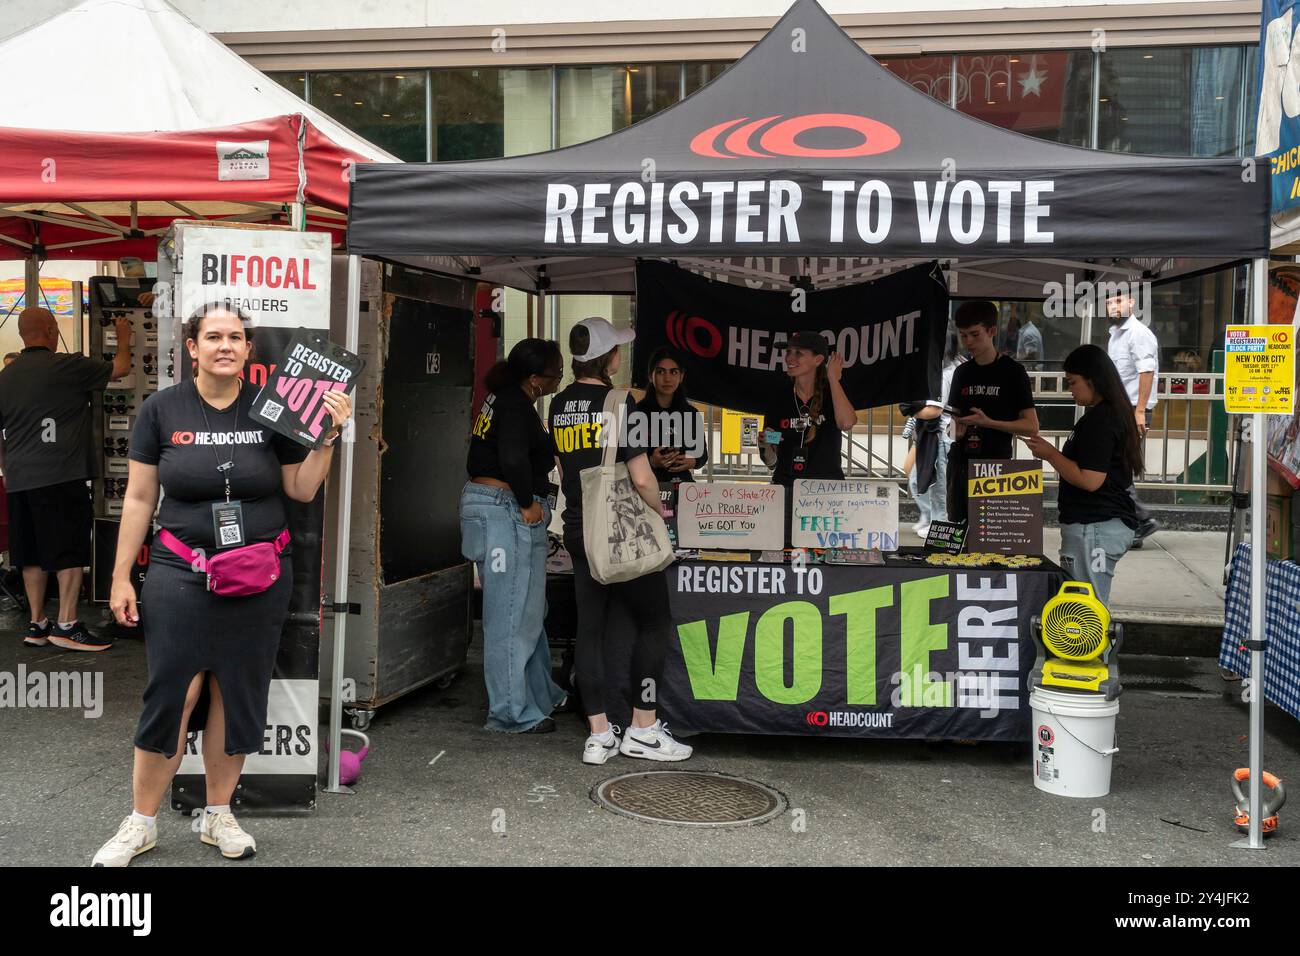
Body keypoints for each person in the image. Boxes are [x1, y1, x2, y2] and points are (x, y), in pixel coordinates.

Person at [93, 303, 351, 867]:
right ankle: (140, 823)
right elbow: (138, 499)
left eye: (235, 337)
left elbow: (302, 491)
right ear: (192, 347)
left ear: (247, 348)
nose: (225, 346)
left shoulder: (270, 410)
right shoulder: (161, 410)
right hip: (179, 574)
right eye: (213, 337)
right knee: (173, 694)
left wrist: (328, 437)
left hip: (259, 577)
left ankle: (218, 815)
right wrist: (119, 577)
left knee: (238, 694)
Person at [549, 317, 692, 765]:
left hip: (578, 528)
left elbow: (562, 464)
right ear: (610, 358)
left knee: (588, 628)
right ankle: (643, 728)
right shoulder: (620, 403)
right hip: (620, 530)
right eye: (618, 351)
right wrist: (660, 510)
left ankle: (598, 734)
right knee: (654, 622)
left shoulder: (557, 404)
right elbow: (643, 475)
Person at [0, 306, 131, 650]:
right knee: (69, 552)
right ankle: (68, 625)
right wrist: (124, 337)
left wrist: (10, 466)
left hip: (19, 479)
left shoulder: (6, 376)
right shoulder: (68, 366)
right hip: (60, 475)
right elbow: (121, 368)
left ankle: (37, 623)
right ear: (51, 330)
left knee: (29, 554)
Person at [461, 338, 568, 734]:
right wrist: (527, 501)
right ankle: (509, 712)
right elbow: (511, 457)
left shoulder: (506, 398)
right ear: (535, 378)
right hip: (505, 508)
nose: (560, 376)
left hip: (496, 505)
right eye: (556, 371)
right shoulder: (513, 403)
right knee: (510, 615)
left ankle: (539, 696)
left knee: (527, 612)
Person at [1022, 345, 1141, 604]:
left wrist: (1051, 454)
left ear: (1093, 379)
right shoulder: (1107, 415)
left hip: (1095, 526)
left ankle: (1101, 648)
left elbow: (1090, 480)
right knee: (1083, 610)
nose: (1070, 389)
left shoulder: (1100, 420)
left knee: (1086, 613)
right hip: (1094, 525)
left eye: (1073, 382)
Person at [946, 301, 1039, 525]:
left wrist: (989, 422)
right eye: (964, 335)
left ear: (992, 331)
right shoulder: (962, 372)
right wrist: (955, 430)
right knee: (960, 533)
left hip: (995, 468)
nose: (968, 342)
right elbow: (952, 423)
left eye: (975, 335)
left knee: (991, 541)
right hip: (961, 464)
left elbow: (1031, 426)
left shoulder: (1013, 373)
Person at [1105, 291, 1160, 548]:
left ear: (1131, 303)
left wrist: (1139, 411)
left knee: (1118, 467)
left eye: (1118, 301)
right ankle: (1133, 522)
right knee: (1116, 465)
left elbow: (1146, 371)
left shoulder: (1138, 334)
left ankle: (1141, 520)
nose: (1112, 307)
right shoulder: (1115, 335)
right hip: (1119, 409)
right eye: (1108, 303)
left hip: (1132, 410)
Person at [907, 330, 961, 538]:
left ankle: (940, 528)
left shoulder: (946, 373)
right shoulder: (953, 367)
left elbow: (935, 410)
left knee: (938, 485)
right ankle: (931, 519)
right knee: (919, 479)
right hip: (937, 435)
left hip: (941, 436)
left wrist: (909, 408)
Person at [636, 347, 708, 484]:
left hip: (681, 486)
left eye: (673, 372)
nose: (667, 378)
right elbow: (624, 457)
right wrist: (652, 461)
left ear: (681, 376)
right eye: (660, 372)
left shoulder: (691, 414)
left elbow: (703, 456)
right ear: (650, 376)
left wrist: (692, 461)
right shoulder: (637, 413)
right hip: (646, 485)